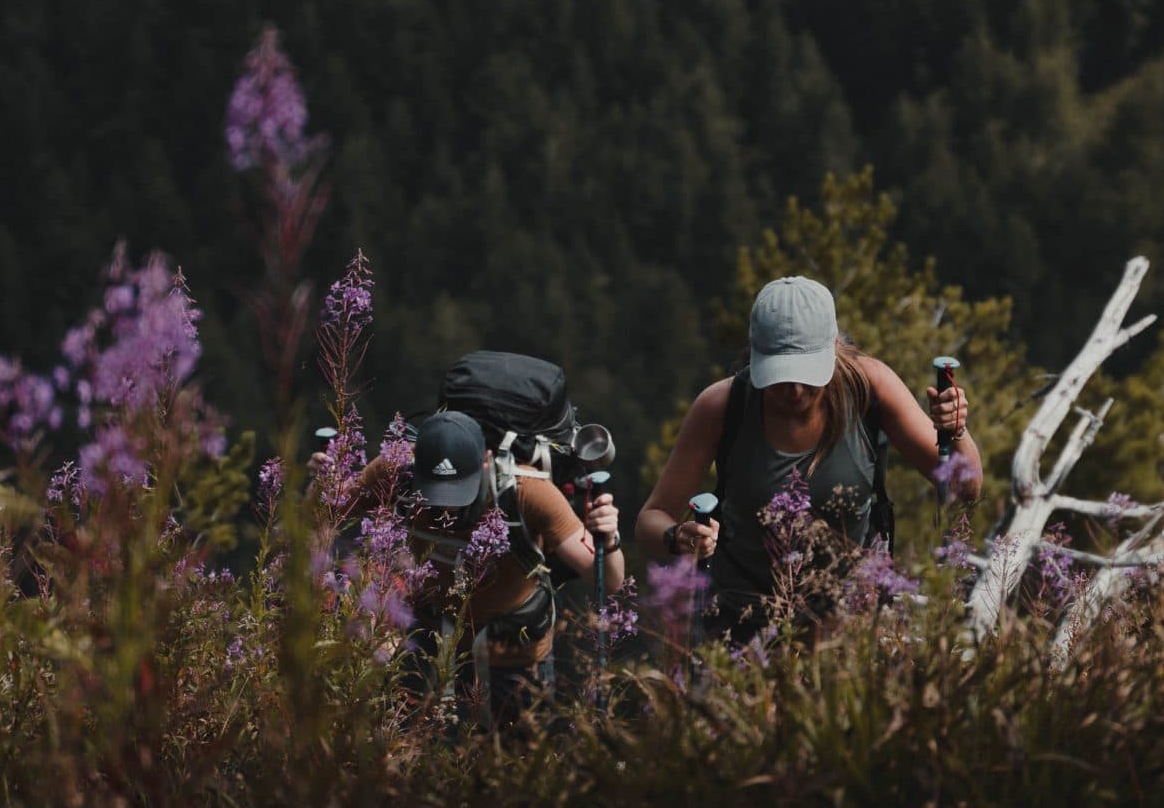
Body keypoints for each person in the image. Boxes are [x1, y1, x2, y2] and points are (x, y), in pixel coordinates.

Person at [634, 275, 982, 645]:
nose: (795, 390)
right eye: (781, 375)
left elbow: (966, 487)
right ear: (755, 352)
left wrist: (956, 431)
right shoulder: (723, 406)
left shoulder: (870, 388)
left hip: (851, 626)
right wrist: (678, 537)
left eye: (806, 373)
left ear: (834, 346)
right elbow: (649, 521)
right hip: (742, 626)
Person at [325, 409, 624, 728]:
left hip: (514, 654)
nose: (447, 508)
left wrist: (610, 538)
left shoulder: (528, 491)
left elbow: (608, 580)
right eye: (437, 493)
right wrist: (323, 483)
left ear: (487, 461)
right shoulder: (394, 471)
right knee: (416, 749)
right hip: (430, 643)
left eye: (458, 491)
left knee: (514, 757)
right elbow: (323, 517)